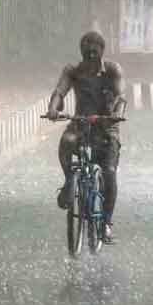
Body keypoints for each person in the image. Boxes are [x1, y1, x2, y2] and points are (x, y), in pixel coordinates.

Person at [46, 31, 127, 244]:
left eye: (95, 50)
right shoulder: (72, 71)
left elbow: (120, 96)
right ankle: (68, 183)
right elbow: (59, 91)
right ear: (81, 52)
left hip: (107, 126)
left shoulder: (113, 71)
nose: (91, 55)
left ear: (102, 52)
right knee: (67, 141)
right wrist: (53, 108)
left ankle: (107, 223)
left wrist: (116, 113)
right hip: (80, 123)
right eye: (87, 50)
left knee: (109, 172)